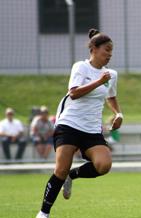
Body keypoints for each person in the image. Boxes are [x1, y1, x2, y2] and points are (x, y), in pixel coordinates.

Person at [36, 28, 123, 218]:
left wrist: (118, 114)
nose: (109, 54)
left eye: (111, 51)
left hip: (91, 129)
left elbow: (111, 97)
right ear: (93, 48)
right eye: (106, 49)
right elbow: (74, 93)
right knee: (60, 169)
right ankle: (43, 213)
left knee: (103, 165)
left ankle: (72, 176)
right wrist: (99, 82)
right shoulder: (81, 67)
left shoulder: (111, 75)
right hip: (69, 124)